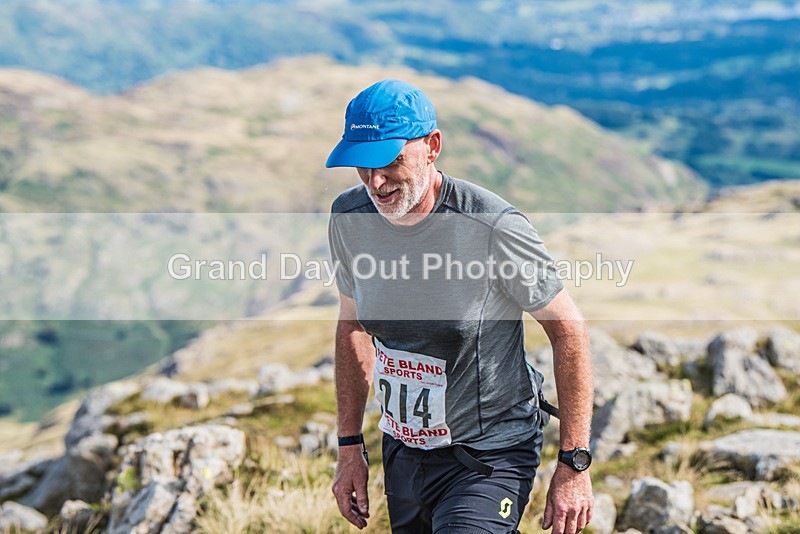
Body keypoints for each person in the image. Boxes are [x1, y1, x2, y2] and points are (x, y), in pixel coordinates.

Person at [325, 79, 594, 534]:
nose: (375, 181)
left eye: (390, 161)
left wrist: (574, 462)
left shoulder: (491, 226)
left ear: (432, 146)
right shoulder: (350, 217)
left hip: (489, 456)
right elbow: (352, 325)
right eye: (362, 165)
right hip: (404, 454)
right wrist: (349, 445)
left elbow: (568, 328)